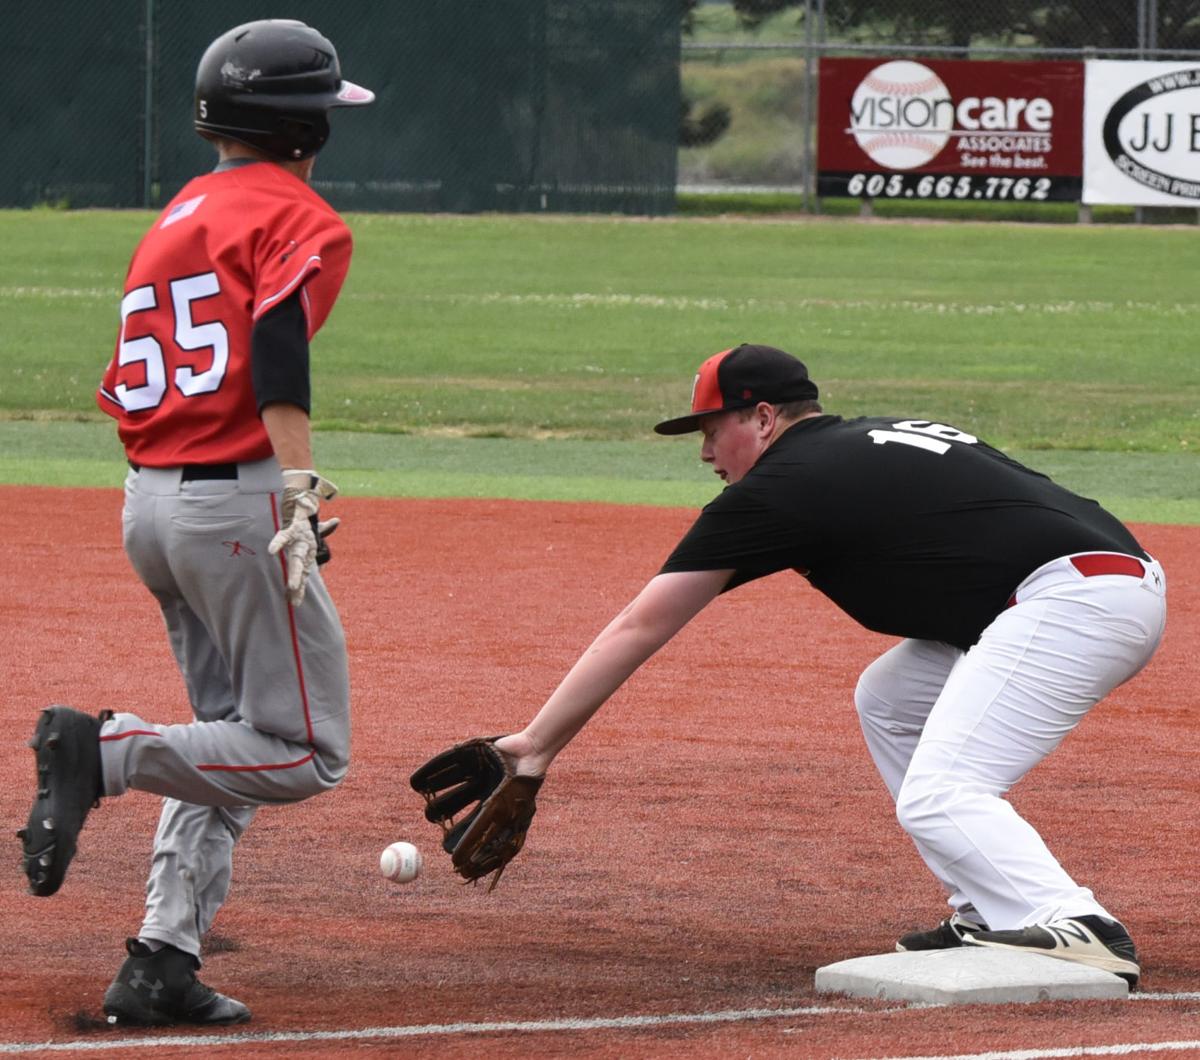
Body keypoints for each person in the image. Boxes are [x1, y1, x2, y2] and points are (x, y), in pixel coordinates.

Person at [489, 343, 1166, 988]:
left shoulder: (784, 484)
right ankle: (993, 909)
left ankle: (1074, 924)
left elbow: (643, 623)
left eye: (711, 429)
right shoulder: (856, 444)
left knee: (942, 792)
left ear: (761, 418)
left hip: (1073, 601)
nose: (703, 453)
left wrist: (535, 745)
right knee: (891, 697)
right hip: (1088, 587)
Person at [18, 19, 373, 1025]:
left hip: (149, 500)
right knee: (306, 750)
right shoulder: (301, 214)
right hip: (233, 498)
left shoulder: (178, 210)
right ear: (306, 124)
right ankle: (105, 752)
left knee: (226, 736)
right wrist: (298, 489)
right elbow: (276, 354)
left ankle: (162, 956)